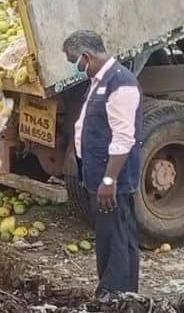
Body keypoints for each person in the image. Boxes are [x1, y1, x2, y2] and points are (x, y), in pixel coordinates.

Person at [63, 30, 141, 298]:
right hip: (100, 176)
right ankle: (123, 294)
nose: (76, 67)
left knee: (115, 239)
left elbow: (123, 137)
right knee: (113, 236)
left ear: (86, 56)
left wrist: (109, 180)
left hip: (114, 180)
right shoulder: (99, 80)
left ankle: (113, 294)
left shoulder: (121, 83)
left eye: (75, 60)